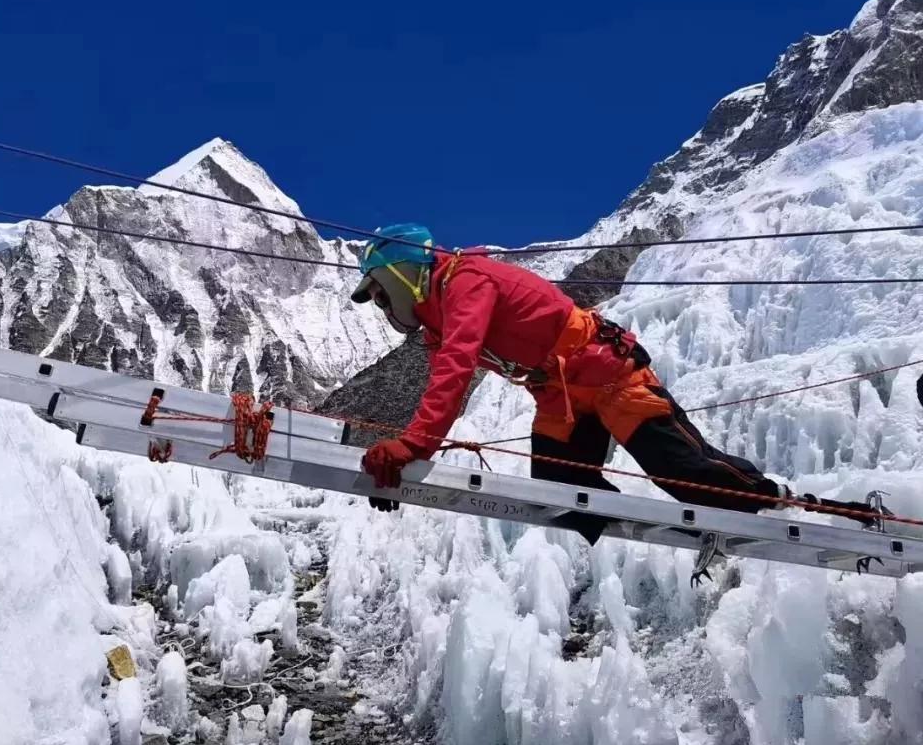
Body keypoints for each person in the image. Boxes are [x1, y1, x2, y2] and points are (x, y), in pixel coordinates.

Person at [351, 223, 888, 548]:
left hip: (609, 376)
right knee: (558, 489)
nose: (379, 306)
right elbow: (442, 381)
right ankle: (690, 533)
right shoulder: (439, 319)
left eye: (378, 294)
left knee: (688, 475)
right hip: (562, 396)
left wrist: (412, 446)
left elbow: (456, 371)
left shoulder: (465, 281)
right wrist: (406, 475)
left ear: (400, 273)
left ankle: (785, 504)